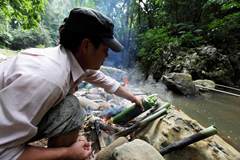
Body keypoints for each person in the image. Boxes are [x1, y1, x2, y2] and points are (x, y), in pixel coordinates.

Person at [0, 8, 142, 160]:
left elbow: (105, 81)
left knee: (72, 108)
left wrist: (133, 98)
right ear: (86, 46)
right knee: (73, 109)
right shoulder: (49, 79)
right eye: (105, 49)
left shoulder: (70, 60)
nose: (107, 55)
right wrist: (69, 153)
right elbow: (4, 153)